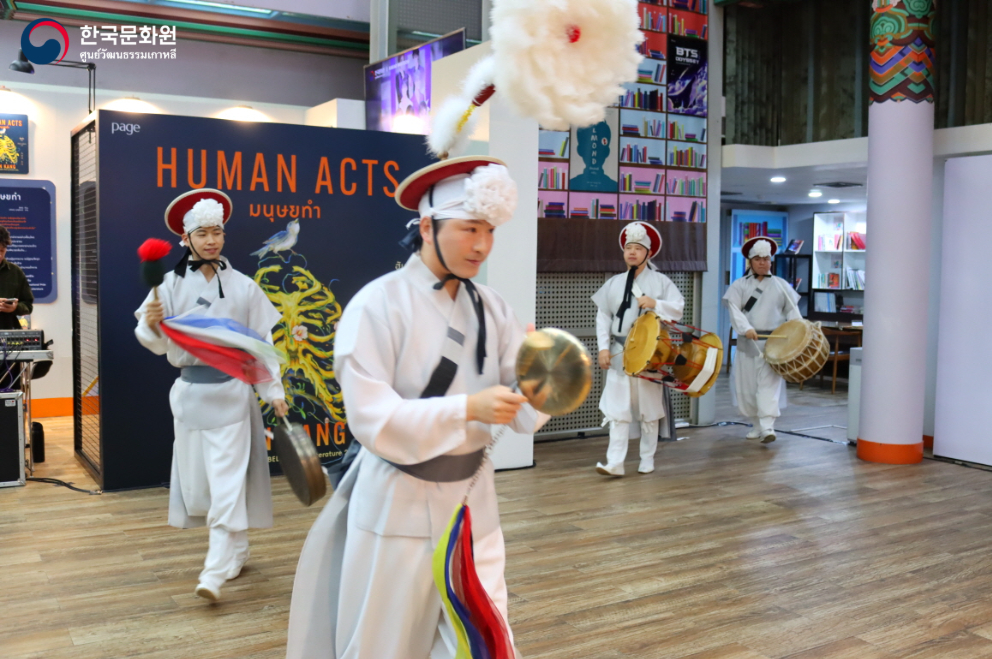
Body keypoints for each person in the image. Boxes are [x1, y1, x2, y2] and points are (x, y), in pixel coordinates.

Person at [286, 156, 539, 659]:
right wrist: (467, 408)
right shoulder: (376, 304)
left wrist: (545, 376)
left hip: (473, 507)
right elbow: (373, 419)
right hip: (397, 505)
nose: (482, 245)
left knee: (483, 642)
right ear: (427, 227)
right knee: (387, 645)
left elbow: (526, 410)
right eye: (469, 228)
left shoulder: (494, 307)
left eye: (489, 230)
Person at [134, 189, 288, 601]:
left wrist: (273, 390)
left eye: (217, 232)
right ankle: (237, 548)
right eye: (202, 233)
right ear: (185, 238)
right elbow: (151, 339)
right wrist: (152, 324)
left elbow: (262, 342)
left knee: (225, 482)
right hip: (189, 396)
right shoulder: (167, 285)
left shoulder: (244, 287)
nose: (211, 240)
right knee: (202, 484)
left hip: (231, 394)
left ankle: (214, 570)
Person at [592, 221, 685, 477]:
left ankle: (647, 458)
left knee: (649, 409)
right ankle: (615, 463)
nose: (632, 252)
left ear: (649, 253)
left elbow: (678, 308)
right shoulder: (614, 283)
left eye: (638, 248)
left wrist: (656, 303)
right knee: (617, 409)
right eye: (628, 248)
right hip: (619, 351)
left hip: (649, 354)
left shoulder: (661, 281)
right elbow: (603, 317)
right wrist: (603, 348)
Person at [723, 237, 802, 443]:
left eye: (766, 259)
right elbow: (734, 311)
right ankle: (756, 425)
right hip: (748, 343)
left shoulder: (781, 285)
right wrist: (746, 328)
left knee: (769, 385)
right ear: (750, 261)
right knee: (748, 387)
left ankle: (767, 427)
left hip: (774, 344)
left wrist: (799, 333)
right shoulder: (739, 285)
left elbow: (793, 313)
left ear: (771, 261)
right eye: (758, 259)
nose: (762, 263)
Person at [0, 225, 34, 390]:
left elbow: (28, 305)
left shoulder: (15, 272)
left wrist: (15, 308)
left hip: (9, 342)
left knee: (10, 391)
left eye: (2, 251)